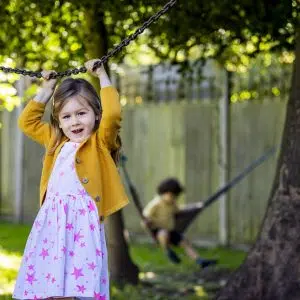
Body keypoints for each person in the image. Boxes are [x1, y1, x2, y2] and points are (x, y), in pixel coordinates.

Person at [13, 59, 129, 300]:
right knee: (51, 286)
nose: (74, 121)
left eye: (81, 113)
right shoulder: (55, 139)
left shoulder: (100, 142)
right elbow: (26, 123)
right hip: (52, 223)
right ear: (58, 120)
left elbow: (114, 114)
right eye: (66, 116)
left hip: (80, 228)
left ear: (96, 115)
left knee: (74, 287)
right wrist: (46, 90)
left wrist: (102, 76)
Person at [143, 178, 217, 268]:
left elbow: (181, 210)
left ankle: (199, 260)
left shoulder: (172, 204)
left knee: (185, 242)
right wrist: (147, 223)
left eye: (175, 197)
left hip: (170, 230)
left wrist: (196, 207)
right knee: (163, 234)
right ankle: (168, 251)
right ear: (164, 192)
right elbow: (145, 216)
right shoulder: (156, 203)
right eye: (171, 196)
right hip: (157, 231)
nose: (173, 199)